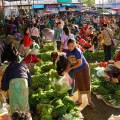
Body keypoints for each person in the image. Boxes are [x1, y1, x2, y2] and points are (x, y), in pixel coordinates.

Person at [66, 39, 93, 107]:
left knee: (87, 83)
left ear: (75, 45)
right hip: (77, 70)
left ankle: (89, 101)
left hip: (84, 68)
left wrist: (71, 68)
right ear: (67, 46)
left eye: (72, 46)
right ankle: (79, 100)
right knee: (79, 84)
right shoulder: (68, 52)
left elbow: (80, 63)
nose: (71, 47)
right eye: (69, 46)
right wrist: (67, 70)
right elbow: (69, 62)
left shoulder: (77, 51)